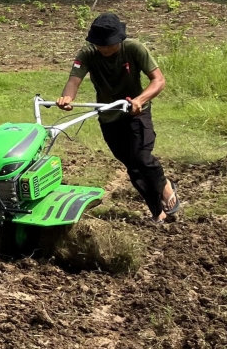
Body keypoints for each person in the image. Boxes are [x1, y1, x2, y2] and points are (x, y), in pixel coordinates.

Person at [56, 12, 179, 223]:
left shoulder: (134, 48)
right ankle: (157, 212)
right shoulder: (87, 54)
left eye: (108, 44)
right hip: (109, 118)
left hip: (136, 112)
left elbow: (158, 80)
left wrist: (140, 99)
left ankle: (165, 186)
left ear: (119, 39)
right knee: (133, 167)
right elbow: (74, 80)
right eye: (99, 44)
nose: (103, 48)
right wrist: (67, 98)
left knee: (142, 158)